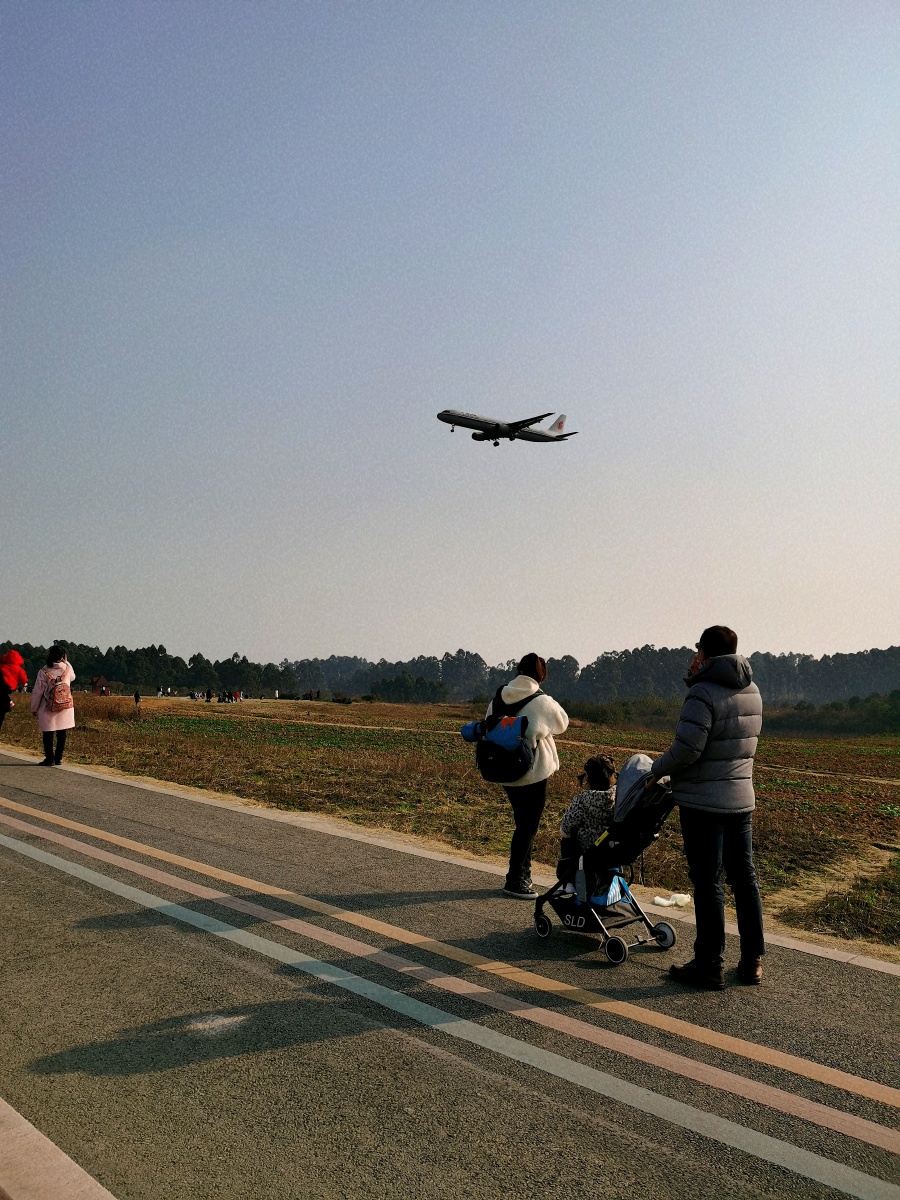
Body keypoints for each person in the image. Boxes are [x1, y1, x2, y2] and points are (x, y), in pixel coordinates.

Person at [648, 625, 764, 989]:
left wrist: (657, 769)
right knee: (744, 879)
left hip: (703, 803)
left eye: (698, 651)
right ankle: (752, 961)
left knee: (709, 881)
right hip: (740, 799)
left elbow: (688, 749)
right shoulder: (752, 690)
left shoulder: (702, 693)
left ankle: (709, 963)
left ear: (706, 655)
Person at [487, 653, 569, 898]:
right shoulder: (541, 701)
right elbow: (562, 722)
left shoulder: (499, 696)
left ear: (518, 671)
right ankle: (515, 879)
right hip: (531, 772)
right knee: (527, 827)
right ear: (540, 676)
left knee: (523, 824)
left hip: (504, 770)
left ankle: (525, 872)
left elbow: (489, 722)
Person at [30, 646, 76, 766]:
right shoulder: (67, 668)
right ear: (63, 656)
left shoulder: (43, 671)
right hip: (65, 706)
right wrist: (66, 661)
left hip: (48, 706)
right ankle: (58, 758)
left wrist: (34, 708)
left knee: (48, 733)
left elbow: (37, 691)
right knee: (62, 733)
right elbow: (73, 677)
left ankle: (49, 758)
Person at [0, 650, 29, 735]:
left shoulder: (1, 666)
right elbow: (24, 680)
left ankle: (9, 701)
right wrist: (24, 686)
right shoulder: (19, 669)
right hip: (8, 690)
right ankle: (9, 702)